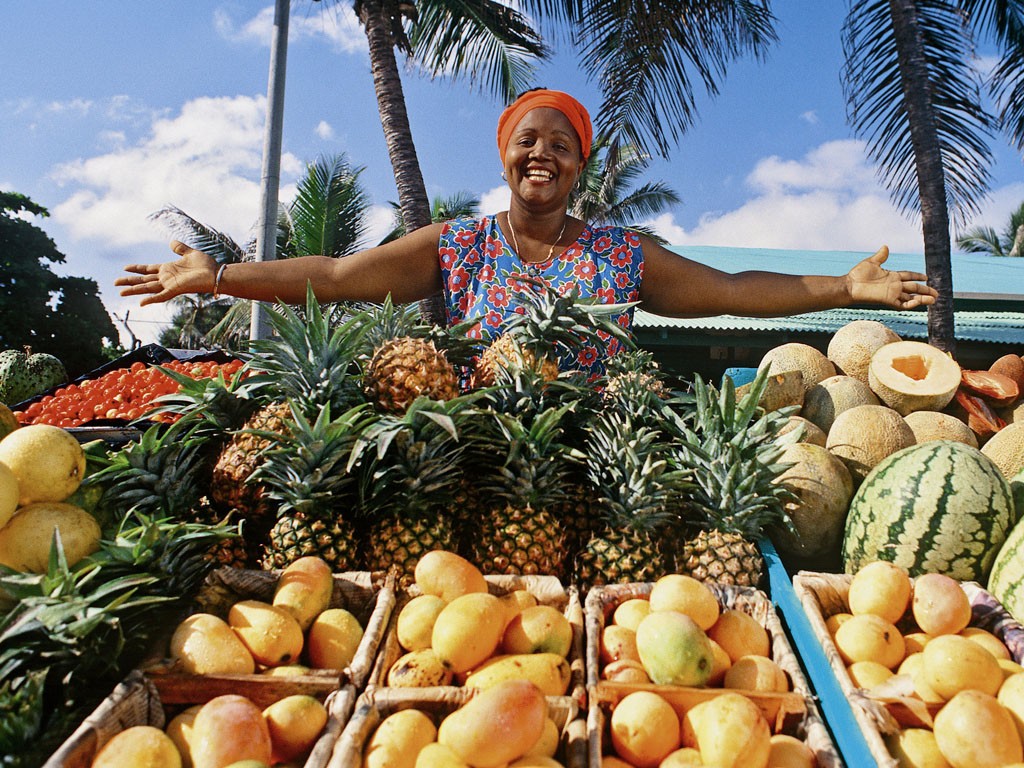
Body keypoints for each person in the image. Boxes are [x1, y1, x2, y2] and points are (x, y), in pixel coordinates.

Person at [117, 88, 937, 379]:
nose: (542, 152)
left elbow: (727, 292)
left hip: (597, 455)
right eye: (528, 139)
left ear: (579, 165)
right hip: (479, 449)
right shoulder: (456, 245)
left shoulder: (622, 253)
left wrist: (843, 287)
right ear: (507, 156)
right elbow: (334, 277)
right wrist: (219, 276)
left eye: (562, 143)